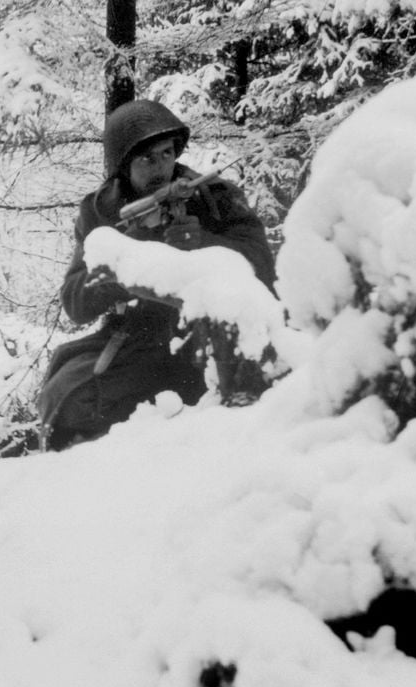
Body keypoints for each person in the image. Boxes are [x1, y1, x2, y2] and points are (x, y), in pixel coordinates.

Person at [38, 98, 277, 451]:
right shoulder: (101, 211)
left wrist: (204, 243)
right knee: (67, 401)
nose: (161, 168)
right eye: (147, 158)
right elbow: (75, 301)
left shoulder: (215, 197)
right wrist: (126, 256)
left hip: (209, 337)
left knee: (234, 419)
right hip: (137, 341)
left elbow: (263, 266)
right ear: (123, 165)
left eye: (166, 153)